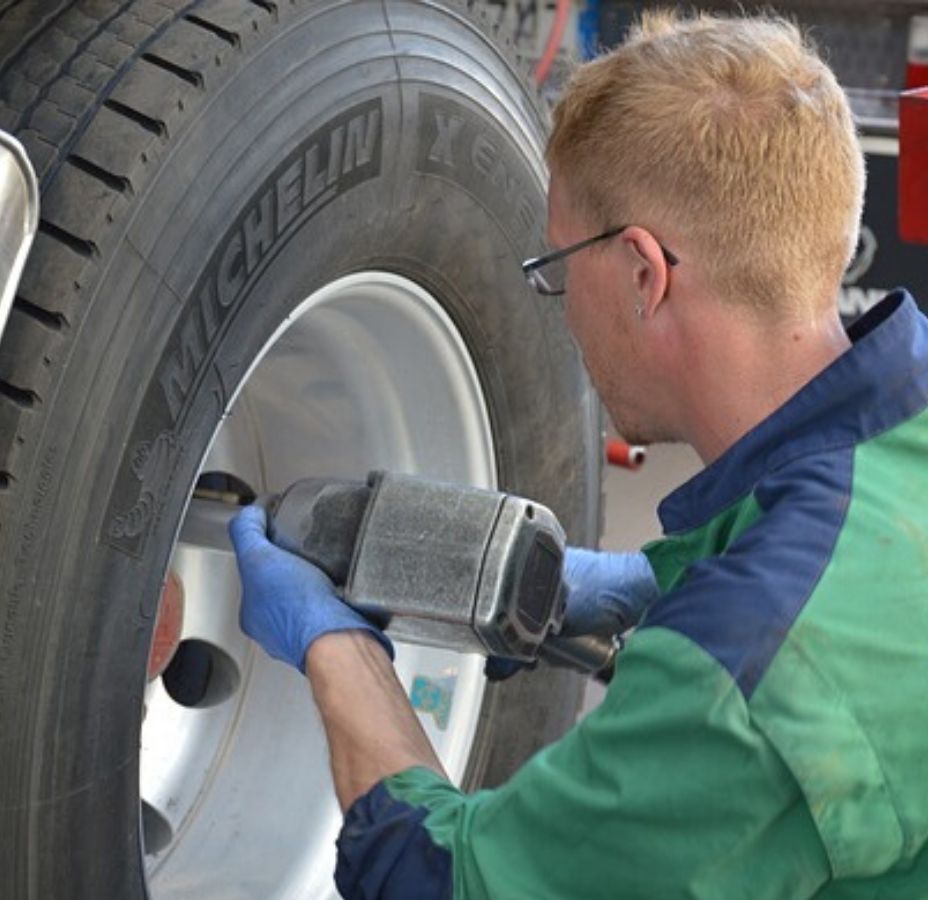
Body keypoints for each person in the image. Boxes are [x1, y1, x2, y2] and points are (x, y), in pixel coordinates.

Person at [229, 11, 928, 898]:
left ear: (645, 273)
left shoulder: (743, 678)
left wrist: (337, 651)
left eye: (558, 269)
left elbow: (444, 884)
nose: (559, 308)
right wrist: (663, 582)